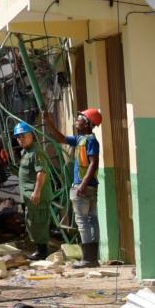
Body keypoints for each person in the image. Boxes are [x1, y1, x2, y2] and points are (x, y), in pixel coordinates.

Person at [60, 108, 104, 265]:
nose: (76, 121)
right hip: (88, 186)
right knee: (92, 220)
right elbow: (61, 138)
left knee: (83, 221)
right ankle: (92, 259)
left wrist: (83, 183)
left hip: (83, 187)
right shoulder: (80, 139)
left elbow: (94, 163)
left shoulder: (90, 140)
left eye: (79, 118)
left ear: (87, 124)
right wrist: (48, 121)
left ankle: (87, 258)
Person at [15, 121, 55, 259]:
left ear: (31, 135)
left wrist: (36, 191)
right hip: (31, 197)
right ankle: (39, 250)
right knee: (32, 222)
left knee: (39, 222)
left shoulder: (36, 153)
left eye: (23, 136)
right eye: (18, 137)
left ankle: (42, 252)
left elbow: (41, 173)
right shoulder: (26, 152)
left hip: (37, 196)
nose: (20, 139)